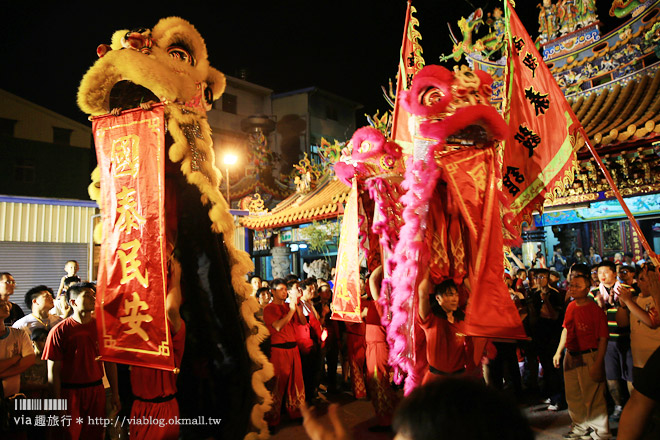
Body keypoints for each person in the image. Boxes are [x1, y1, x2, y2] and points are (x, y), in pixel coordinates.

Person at [42, 282, 120, 440]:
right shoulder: (60, 331)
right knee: (69, 434)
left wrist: (115, 393)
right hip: (70, 393)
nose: (93, 298)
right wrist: (56, 405)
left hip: (96, 390)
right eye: (87, 295)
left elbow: (110, 362)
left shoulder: (101, 328)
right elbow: (53, 372)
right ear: (73, 302)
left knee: (95, 434)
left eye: (93, 295)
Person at [130, 258, 186, 440]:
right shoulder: (135, 326)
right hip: (139, 406)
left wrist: (175, 280)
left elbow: (170, 309)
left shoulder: (175, 327)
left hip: (162, 408)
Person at [553, 274, 610, 440]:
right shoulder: (571, 306)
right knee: (573, 395)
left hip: (589, 356)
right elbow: (566, 329)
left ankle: (601, 433)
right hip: (571, 355)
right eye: (571, 285)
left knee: (593, 396)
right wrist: (558, 352)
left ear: (588, 288)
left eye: (578, 286)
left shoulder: (595, 310)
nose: (573, 288)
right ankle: (580, 427)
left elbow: (603, 339)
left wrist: (598, 363)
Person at [263, 278, 305, 428]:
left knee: (296, 383)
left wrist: (297, 306)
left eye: (285, 289)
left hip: (293, 349)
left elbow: (303, 322)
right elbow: (278, 326)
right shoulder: (269, 309)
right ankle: (272, 419)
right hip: (279, 350)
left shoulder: (289, 306)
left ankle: (296, 412)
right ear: (272, 291)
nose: (284, 292)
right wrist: (292, 311)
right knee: (277, 386)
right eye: (280, 289)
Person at [417, 274, 474, 384]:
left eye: (456, 294)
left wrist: (463, 275)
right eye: (449, 295)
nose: (454, 298)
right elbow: (422, 293)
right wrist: (429, 269)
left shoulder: (462, 318)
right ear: (438, 298)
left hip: (460, 378)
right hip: (436, 380)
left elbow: (475, 297)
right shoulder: (431, 319)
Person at [595, 260, 632, 421]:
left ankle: (634, 406)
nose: (602, 276)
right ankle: (618, 406)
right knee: (611, 376)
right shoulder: (594, 293)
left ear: (614, 273)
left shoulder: (627, 290)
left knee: (631, 376)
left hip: (628, 339)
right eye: (599, 273)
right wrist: (599, 307)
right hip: (607, 341)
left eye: (605, 272)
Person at [526, 268, 565, 410]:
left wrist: (546, 300)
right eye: (536, 277)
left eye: (542, 277)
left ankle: (559, 398)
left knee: (554, 367)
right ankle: (550, 395)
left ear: (548, 278)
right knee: (546, 366)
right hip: (539, 335)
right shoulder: (534, 295)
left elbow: (554, 315)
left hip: (553, 335)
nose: (538, 280)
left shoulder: (554, 294)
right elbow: (534, 316)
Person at [365, 266, 398, 430]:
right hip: (376, 348)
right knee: (378, 383)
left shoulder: (382, 305)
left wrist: (385, 261)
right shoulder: (384, 306)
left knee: (378, 384)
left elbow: (372, 279)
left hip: (378, 349)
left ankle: (386, 421)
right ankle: (386, 418)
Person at [0, 298, 35, 437]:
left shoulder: (18, 334)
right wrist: (15, 359)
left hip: (15, 398)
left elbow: (30, 359)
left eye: (5, 303)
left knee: (19, 434)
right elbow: (23, 359)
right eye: (0, 304)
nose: (5, 306)